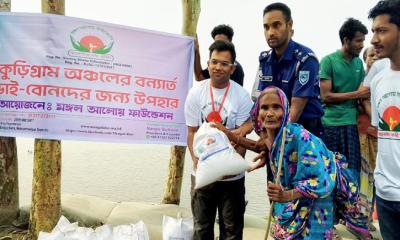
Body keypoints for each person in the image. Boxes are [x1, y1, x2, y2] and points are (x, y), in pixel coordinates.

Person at [213, 86, 370, 239]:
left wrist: (287, 195)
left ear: (286, 110)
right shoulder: (268, 134)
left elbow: (321, 180)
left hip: (318, 197)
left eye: (276, 107)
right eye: (264, 108)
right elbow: (257, 146)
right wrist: (228, 134)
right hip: (293, 195)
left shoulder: (301, 137)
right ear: (257, 112)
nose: (270, 113)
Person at [184, 40, 253, 240]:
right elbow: (191, 132)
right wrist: (197, 161)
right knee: (202, 228)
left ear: (232, 68)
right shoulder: (196, 93)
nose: (218, 67)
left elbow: (242, 137)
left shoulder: (241, 96)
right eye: (214, 62)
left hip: (232, 179)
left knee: (231, 231)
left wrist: (231, 168)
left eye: (224, 64)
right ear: (208, 63)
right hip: (202, 174)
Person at [253, 2, 324, 138]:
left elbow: (294, 112)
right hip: (275, 129)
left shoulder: (305, 59)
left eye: (276, 25)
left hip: (305, 132)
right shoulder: (264, 60)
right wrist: (265, 138)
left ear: (289, 25)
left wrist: (272, 143)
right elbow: (261, 103)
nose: (271, 32)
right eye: (266, 27)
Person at [319, 18, 369, 186]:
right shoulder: (328, 61)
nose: (362, 44)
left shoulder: (358, 63)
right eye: (358, 40)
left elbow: (363, 95)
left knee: (352, 173)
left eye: (363, 40)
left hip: (351, 126)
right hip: (331, 124)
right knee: (331, 172)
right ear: (346, 40)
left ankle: (349, 210)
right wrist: (357, 94)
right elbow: (325, 96)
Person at [368, 1, 400, 239]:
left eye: (382, 31)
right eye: (373, 32)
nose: (373, 40)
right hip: (386, 194)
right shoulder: (378, 79)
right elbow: (383, 133)